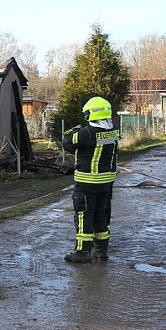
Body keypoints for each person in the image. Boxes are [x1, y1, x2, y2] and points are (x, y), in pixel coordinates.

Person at [61, 96, 119, 263]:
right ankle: (101, 252)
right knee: (101, 215)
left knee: (83, 216)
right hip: (106, 183)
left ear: (90, 114)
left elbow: (67, 142)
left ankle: (83, 252)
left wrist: (74, 129)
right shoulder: (113, 131)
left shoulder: (87, 133)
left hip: (87, 183)